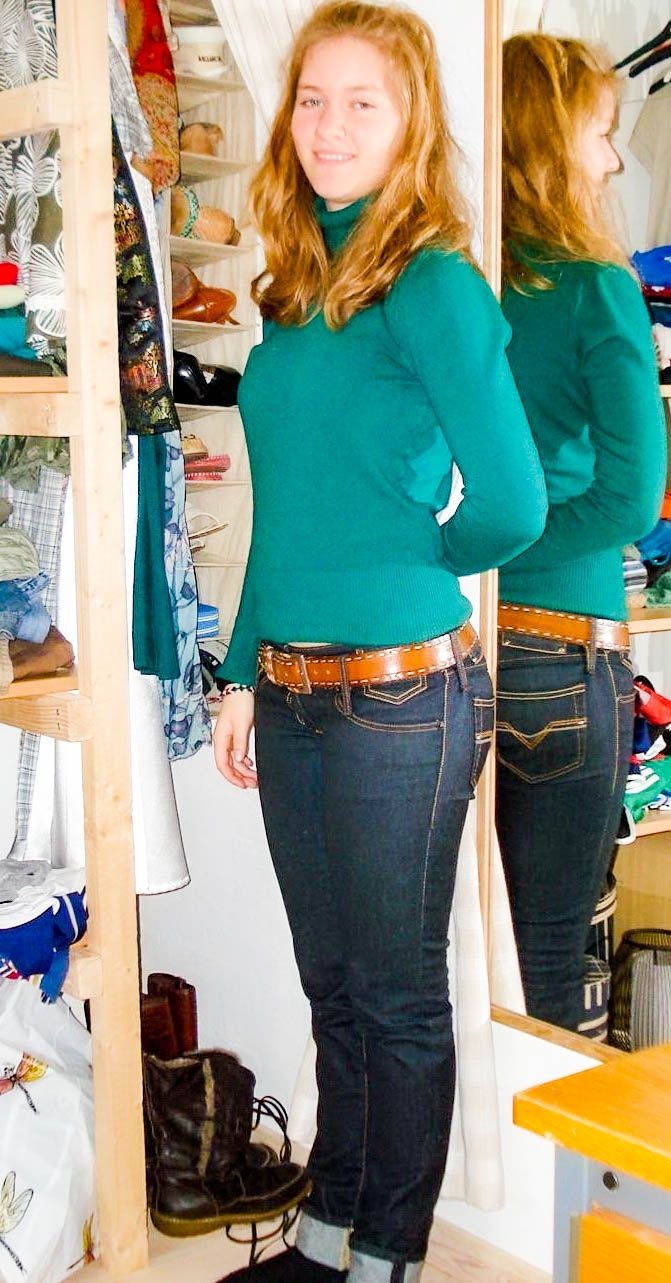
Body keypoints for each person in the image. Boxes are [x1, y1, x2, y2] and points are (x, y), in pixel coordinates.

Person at [213, 5, 546, 1282]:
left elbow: (512, 501)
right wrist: (241, 671)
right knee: (333, 985)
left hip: (404, 701)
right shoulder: (295, 291)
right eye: (311, 99)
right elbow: (285, 513)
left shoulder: (433, 284)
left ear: (410, 125)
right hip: (291, 693)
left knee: (397, 998)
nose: (329, 125)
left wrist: (410, 566)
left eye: (363, 101)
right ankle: (326, 1230)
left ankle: (389, 1256)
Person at [496, 33, 667, 1034]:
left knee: (470, 951)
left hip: (454, 651)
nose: (609, 160)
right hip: (560, 651)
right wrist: (507, 553)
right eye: (598, 134)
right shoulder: (593, 285)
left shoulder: (452, 285)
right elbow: (630, 500)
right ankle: (547, 1140)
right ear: (547, 142)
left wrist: (472, 562)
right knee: (554, 956)